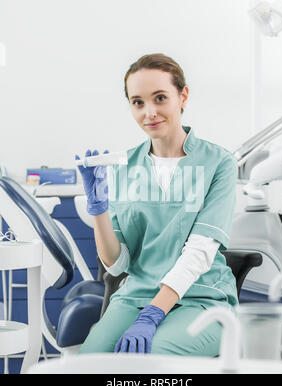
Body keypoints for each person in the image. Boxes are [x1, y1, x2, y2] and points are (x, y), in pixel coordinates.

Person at [76, 53, 238, 357]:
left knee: (153, 359)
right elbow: (118, 264)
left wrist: (153, 314)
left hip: (201, 298)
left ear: (182, 96)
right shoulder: (125, 166)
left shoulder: (219, 163)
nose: (149, 112)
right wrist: (98, 210)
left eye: (160, 98)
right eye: (138, 102)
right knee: (91, 360)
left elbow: (199, 254)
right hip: (134, 296)